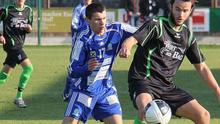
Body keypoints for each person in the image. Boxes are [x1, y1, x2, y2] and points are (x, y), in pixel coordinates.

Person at [119, 0, 220, 124]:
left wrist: (217, 89)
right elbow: (133, 39)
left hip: (166, 87)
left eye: (185, 10)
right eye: (177, 9)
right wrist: (126, 46)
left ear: (191, 10)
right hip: (143, 81)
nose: (181, 14)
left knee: (203, 115)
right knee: (147, 110)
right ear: (171, 6)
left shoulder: (187, 36)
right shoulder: (157, 24)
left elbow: (202, 67)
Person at [62, 2, 136, 124]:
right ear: (88, 20)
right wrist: (86, 68)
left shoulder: (116, 30)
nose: (102, 23)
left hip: (106, 89)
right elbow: (72, 70)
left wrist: (128, 43)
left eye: (104, 18)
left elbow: (143, 31)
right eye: (97, 20)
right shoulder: (83, 39)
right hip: (84, 90)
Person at [0, 0, 33, 108]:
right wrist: (0, 35)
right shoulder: (7, 10)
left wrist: (29, 28)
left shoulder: (29, 10)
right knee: (28, 68)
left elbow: (30, 28)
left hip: (19, 45)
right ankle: (19, 97)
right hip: (11, 44)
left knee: (5, 73)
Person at [62, 0, 93, 102]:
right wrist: (84, 30)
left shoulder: (94, 8)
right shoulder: (79, 8)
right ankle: (67, 93)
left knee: (88, 66)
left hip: (91, 42)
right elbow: (74, 25)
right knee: (75, 66)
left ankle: (83, 90)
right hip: (78, 43)